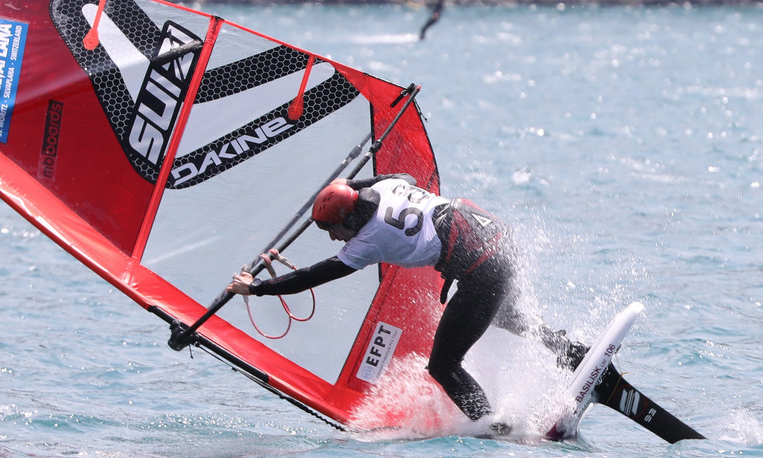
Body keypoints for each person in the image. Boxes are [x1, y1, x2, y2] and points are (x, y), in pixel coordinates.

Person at [228, 174, 586, 425]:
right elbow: (406, 177)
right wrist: (349, 185)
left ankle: (494, 426)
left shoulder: (369, 241)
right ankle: (567, 350)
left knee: (444, 366)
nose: (334, 239)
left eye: (333, 230)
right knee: (494, 313)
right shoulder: (386, 186)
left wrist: (256, 288)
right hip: (498, 238)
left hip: (482, 266)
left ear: (349, 220)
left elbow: (314, 275)